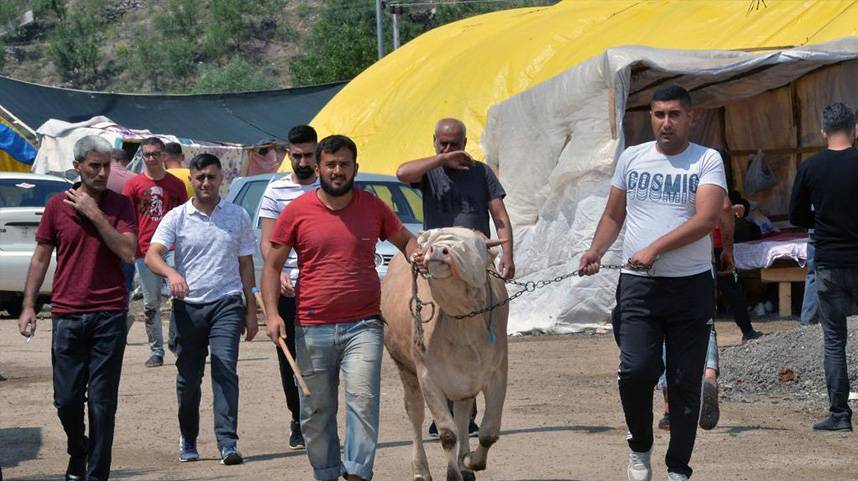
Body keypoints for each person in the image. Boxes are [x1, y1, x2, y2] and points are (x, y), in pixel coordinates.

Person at [579, 85, 726, 481]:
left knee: (683, 382)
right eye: (659, 115)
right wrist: (595, 249)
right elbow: (614, 214)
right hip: (638, 287)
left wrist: (655, 249)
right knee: (636, 371)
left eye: (674, 114)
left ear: (690, 117)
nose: (666, 122)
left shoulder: (706, 160)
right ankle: (639, 449)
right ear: (651, 118)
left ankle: (678, 469)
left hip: (690, 287)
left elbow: (706, 219)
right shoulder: (632, 157)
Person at [262, 135, 419, 481]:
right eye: (331, 164)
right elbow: (272, 266)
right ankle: (327, 472)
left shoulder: (373, 207)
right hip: (311, 326)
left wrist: (418, 254)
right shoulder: (296, 212)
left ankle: (358, 473)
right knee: (316, 412)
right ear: (318, 168)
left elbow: (406, 240)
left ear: (355, 168)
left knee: (363, 401)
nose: (337, 171)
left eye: (344, 164)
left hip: (364, 325)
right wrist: (272, 315)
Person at [18, 135, 137, 481]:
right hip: (67, 314)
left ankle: (97, 473)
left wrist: (94, 213)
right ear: (78, 167)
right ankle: (77, 449)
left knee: (102, 403)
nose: (101, 173)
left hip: (109, 314)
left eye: (106, 166)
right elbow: (41, 257)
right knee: (67, 401)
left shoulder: (119, 205)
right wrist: (28, 306)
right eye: (94, 166)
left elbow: (128, 251)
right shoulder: (57, 206)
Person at [396, 117, 514, 437]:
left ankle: (469, 410)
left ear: (465, 143)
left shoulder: (481, 173)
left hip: (474, 259)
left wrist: (508, 255)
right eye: (442, 144)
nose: (448, 150)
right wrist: (440, 160)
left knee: (476, 333)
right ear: (434, 141)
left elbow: (500, 218)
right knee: (435, 332)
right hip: (436, 260)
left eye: (454, 145)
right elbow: (401, 173)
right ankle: (442, 411)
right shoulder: (429, 171)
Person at [145, 153, 259, 464]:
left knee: (225, 370)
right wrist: (171, 274)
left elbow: (246, 264)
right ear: (192, 180)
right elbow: (152, 255)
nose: (206, 182)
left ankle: (227, 443)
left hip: (227, 302)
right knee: (188, 378)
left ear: (222, 178)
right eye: (200, 178)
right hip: (188, 308)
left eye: (211, 176)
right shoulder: (177, 217)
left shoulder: (237, 216)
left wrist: (251, 309)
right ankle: (189, 437)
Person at [789, 102, 858, 432]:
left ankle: (840, 415)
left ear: (823, 133)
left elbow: (796, 216)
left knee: (834, 341)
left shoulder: (810, 167)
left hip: (829, 264)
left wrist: (822, 220)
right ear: (855, 129)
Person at [258, 124, 319, 451]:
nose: (302, 161)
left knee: (323, 355)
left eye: (308, 154)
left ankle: (320, 418)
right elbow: (267, 243)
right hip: (288, 288)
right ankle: (297, 417)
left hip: (323, 287)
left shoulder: (330, 188)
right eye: (296, 155)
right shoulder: (275, 191)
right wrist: (276, 271)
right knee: (289, 354)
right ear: (287, 155)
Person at [123, 137, 188, 367]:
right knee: (151, 304)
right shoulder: (134, 185)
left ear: (163, 156)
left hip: (172, 248)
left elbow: (184, 217)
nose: (150, 159)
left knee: (179, 297)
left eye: (154, 154)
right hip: (144, 249)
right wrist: (130, 247)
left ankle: (177, 342)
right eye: (146, 154)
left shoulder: (176, 185)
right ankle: (156, 350)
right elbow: (128, 220)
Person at [107, 148, 138, 302]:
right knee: (124, 284)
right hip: (127, 237)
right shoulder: (134, 179)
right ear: (126, 161)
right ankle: (121, 312)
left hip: (102, 236)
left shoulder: (101, 176)